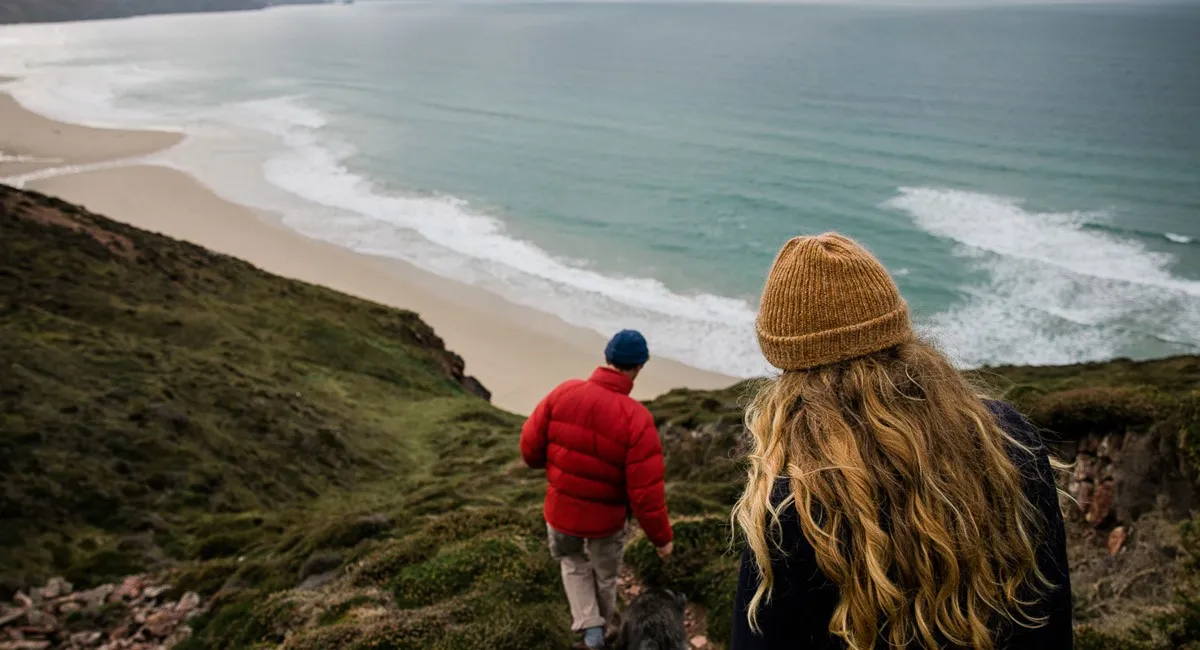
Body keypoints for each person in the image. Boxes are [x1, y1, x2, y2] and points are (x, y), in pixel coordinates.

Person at [731, 233, 1072, 650]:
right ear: (897, 329)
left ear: (787, 365)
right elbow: (1050, 611)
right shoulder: (1007, 437)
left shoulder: (794, 498)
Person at [521, 329, 675, 650]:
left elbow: (530, 451)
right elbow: (645, 495)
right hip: (605, 522)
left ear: (606, 357)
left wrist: (558, 469)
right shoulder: (637, 419)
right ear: (639, 367)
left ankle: (589, 628)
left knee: (573, 563)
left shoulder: (563, 392)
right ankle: (601, 633)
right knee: (605, 577)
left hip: (560, 512)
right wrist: (662, 540)